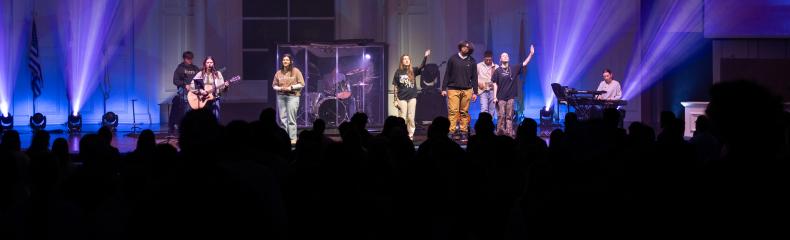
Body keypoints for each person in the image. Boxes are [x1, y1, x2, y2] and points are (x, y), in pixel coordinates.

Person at [492, 45, 535, 137]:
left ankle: (509, 133)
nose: (505, 57)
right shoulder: (497, 71)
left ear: (509, 58)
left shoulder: (514, 68)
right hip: (501, 97)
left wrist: (531, 54)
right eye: (503, 56)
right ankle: (500, 133)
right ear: (500, 59)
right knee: (501, 116)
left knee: (509, 116)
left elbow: (524, 63)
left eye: (506, 56)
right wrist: (494, 97)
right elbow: (495, 84)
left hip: (511, 97)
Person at [442, 40, 478, 141]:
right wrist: (443, 88)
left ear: (470, 49)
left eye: (467, 47)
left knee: (464, 112)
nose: (465, 48)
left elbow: (475, 77)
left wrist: (475, 92)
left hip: (467, 90)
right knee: (453, 111)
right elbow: (447, 74)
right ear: (460, 47)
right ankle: (451, 131)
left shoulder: (472, 61)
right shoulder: (453, 58)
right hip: (453, 89)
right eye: (464, 46)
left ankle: (463, 132)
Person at [393, 49, 431, 140]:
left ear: (410, 61)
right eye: (404, 59)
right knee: (402, 117)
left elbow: (422, 66)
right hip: (401, 98)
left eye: (408, 59)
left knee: (411, 117)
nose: (406, 60)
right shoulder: (398, 72)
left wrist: (425, 57)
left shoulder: (413, 70)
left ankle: (410, 135)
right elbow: (395, 86)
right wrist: (395, 100)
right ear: (402, 61)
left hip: (412, 97)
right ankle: (401, 134)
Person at [272, 54, 305, 144]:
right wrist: (280, 88)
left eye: (287, 60)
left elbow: (302, 84)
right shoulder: (278, 73)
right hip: (281, 96)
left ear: (291, 61)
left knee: (291, 118)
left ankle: (293, 138)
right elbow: (274, 85)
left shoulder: (296, 71)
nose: (285, 61)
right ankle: (284, 137)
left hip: (293, 96)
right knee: (283, 118)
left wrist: (291, 87)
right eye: (284, 60)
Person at [169, 51, 199, 133]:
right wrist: (184, 85)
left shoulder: (195, 68)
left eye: (191, 58)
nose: (190, 60)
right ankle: (184, 127)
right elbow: (175, 81)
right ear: (184, 59)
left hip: (194, 92)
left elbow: (199, 79)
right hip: (184, 91)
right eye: (188, 59)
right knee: (186, 107)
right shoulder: (180, 68)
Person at [477, 50, 498, 117]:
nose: (488, 61)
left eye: (490, 60)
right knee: (484, 109)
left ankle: (489, 123)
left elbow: (499, 79)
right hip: (483, 90)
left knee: (492, 110)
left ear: (492, 58)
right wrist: (478, 83)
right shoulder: (479, 66)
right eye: (486, 60)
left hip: (493, 91)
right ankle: (484, 123)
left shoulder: (496, 67)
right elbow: (473, 77)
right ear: (484, 58)